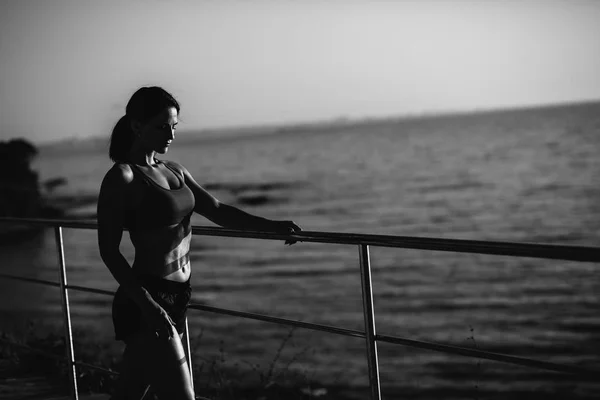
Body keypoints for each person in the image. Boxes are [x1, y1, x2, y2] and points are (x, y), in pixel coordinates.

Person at [97, 86, 301, 400]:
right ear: (137, 126)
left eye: (174, 127)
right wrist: (149, 307)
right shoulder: (122, 177)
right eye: (162, 126)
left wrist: (273, 227)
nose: (171, 135)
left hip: (179, 296)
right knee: (183, 396)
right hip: (146, 298)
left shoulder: (175, 170)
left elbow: (217, 210)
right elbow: (109, 251)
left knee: (130, 391)